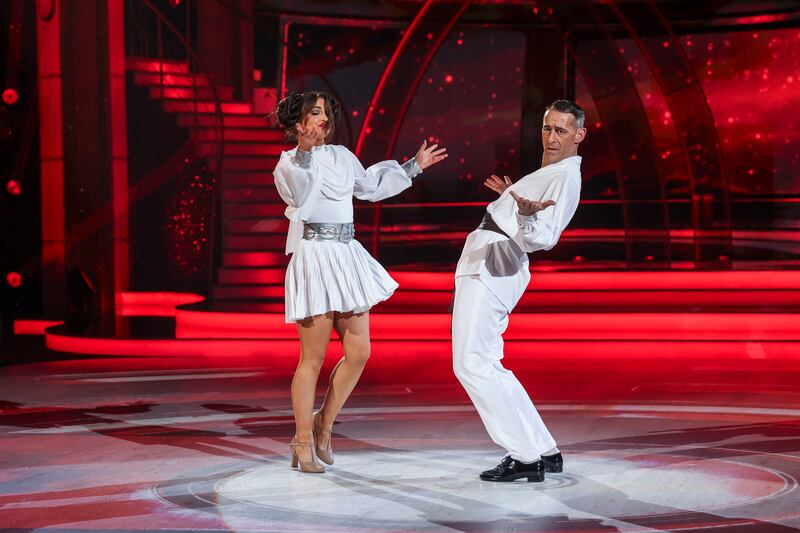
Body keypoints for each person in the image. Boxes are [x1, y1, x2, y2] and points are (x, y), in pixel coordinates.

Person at [273, 91, 447, 473]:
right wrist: (303, 150)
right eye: (314, 114)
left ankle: (323, 425)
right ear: (298, 123)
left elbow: (369, 186)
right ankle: (301, 442)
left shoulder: (341, 155)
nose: (323, 119)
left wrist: (413, 167)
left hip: (347, 255)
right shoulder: (288, 164)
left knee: (360, 352)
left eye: (325, 113)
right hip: (316, 259)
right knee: (313, 358)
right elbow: (299, 194)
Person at [452, 99, 586, 482]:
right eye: (547, 128)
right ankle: (542, 448)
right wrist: (510, 199)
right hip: (489, 260)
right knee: (487, 363)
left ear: (579, 135)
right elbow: (528, 218)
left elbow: (544, 237)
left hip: (493, 266)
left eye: (561, 130)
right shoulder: (554, 172)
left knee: (470, 364)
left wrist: (523, 214)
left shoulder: (564, 177)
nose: (551, 137)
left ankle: (525, 456)